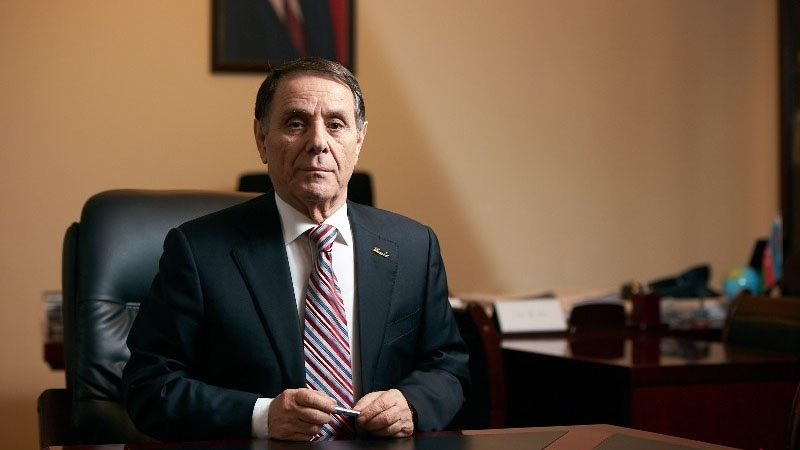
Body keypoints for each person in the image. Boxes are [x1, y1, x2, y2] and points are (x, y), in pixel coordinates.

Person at [122, 57, 469, 442]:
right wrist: (263, 416)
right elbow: (149, 386)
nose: (318, 142)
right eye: (295, 123)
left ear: (359, 140)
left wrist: (412, 404)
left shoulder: (414, 246)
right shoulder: (198, 251)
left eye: (336, 125)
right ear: (261, 139)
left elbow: (447, 366)